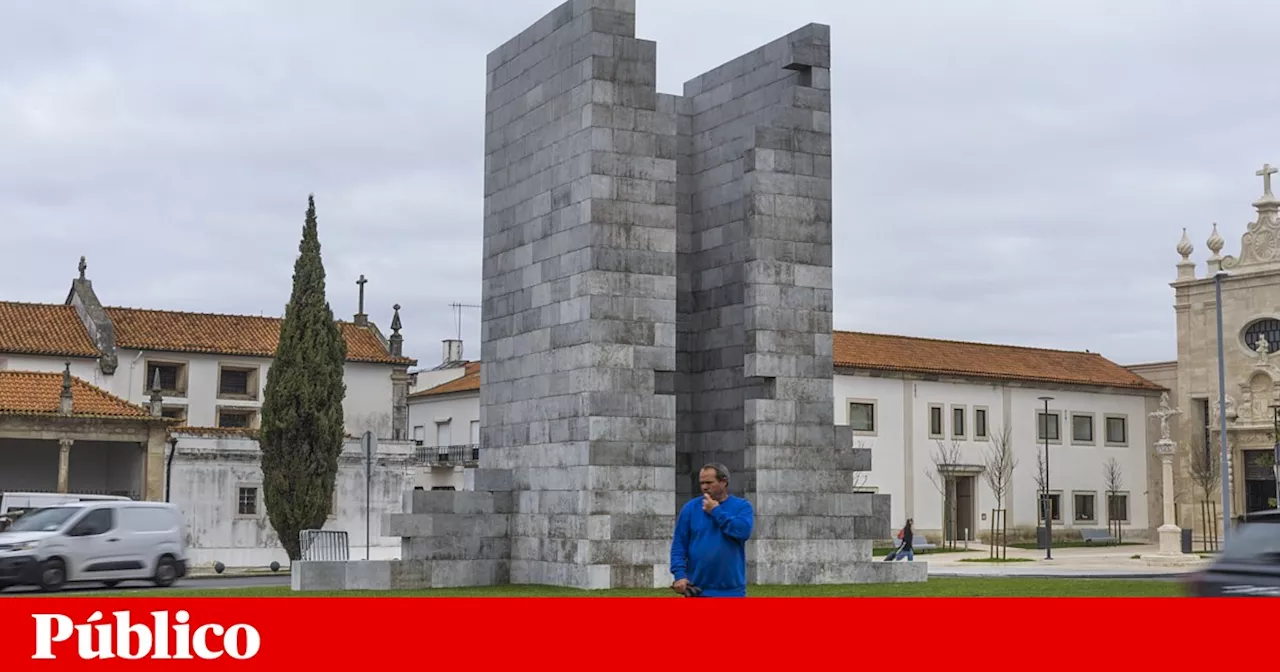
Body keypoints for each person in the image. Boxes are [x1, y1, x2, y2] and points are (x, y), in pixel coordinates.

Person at [669, 463, 754, 597]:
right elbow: (679, 545)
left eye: (709, 482)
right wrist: (679, 575)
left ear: (724, 482)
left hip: (731, 591)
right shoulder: (690, 508)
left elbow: (742, 531)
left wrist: (715, 511)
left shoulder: (742, 507)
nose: (704, 487)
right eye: (702, 483)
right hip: (697, 590)